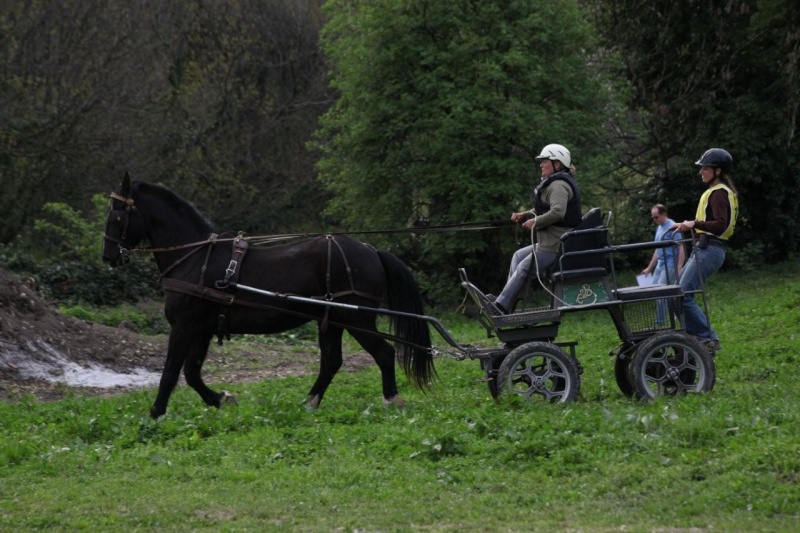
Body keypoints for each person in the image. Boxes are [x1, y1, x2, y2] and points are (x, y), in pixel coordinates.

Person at [492, 144, 582, 314]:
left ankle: (500, 306)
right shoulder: (553, 184)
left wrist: (536, 222)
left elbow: (557, 212)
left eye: (544, 161)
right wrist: (525, 215)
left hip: (556, 245)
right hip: (548, 242)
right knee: (518, 256)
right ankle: (508, 302)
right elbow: (544, 209)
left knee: (525, 266)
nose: (541, 165)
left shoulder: (558, 186)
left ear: (557, 164)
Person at [671, 148, 739, 352]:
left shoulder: (719, 193)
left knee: (680, 294)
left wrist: (694, 223)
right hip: (704, 248)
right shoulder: (715, 192)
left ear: (718, 171)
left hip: (710, 249)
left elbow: (720, 224)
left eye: (705, 168)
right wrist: (690, 226)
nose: (701, 172)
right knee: (675, 293)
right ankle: (693, 338)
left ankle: (706, 338)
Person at [641, 204, 685, 325]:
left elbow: (681, 247)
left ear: (664, 214)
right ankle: (677, 313)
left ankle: (660, 322)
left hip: (670, 264)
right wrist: (649, 268)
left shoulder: (672, 226)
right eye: (653, 217)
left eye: (656, 217)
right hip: (660, 264)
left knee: (661, 292)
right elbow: (657, 249)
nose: (654, 220)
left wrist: (679, 266)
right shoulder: (659, 227)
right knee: (655, 291)